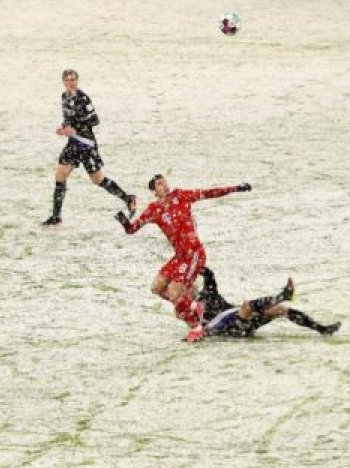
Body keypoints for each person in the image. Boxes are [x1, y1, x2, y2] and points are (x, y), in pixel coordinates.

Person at [115, 173, 251, 341]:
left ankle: (197, 325)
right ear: (154, 191)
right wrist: (124, 222)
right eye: (159, 184)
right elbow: (132, 229)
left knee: (174, 292)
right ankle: (193, 305)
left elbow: (208, 193)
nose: (164, 185)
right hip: (179, 257)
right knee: (156, 288)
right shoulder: (153, 209)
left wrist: (236, 188)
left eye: (164, 182)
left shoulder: (181, 196)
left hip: (193, 253)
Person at [42, 69, 137, 226]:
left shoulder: (83, 98)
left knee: (97, 179)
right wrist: (63, 128)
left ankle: (128, 198)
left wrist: (76, 130)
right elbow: (68, 119)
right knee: (60, 175)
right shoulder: (64, 97)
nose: (70, 82)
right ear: (63, 82)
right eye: (67, 79)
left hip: (86, 143)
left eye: (73, 79)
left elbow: (95, 120)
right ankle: (56, 216)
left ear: (77, 81)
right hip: (73, 143)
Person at [195, 266, 341, 341]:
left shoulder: (209, 291)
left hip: (241, 321)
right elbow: (198, 326)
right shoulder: (189, 305)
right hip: (228, 330)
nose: (191, 285)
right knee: (247, 306)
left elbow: (208, 273)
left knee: (280, 310)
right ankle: (284, 295)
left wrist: (185, 262)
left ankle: (322, 329)